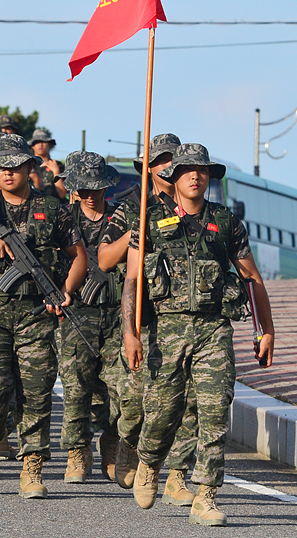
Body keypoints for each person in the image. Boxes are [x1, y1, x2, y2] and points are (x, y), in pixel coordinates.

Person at [122, 143, 275, 526]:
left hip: (213, 331)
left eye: (203, 170)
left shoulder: (225, 222)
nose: (195, 176)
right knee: (161, 412)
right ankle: (149, 461)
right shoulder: (149, 219)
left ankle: (205, 496)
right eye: (188, 169)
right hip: (165, 329)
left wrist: (266, 330)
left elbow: (251, 278)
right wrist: (131, 333)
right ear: (173, 176)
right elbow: (132, 279)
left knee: (214, 412)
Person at [0, 134, 86, 499]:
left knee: (37, 390)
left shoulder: (53, 209)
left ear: (30, 168)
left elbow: (78, 256)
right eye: (1, 167)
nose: (9, 173)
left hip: (36, 312)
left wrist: (67, 291)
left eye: (16, 166)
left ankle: (33, 466)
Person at [98, 133, 201, 501]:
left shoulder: (195, 207)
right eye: (160, 161)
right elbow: (106, 259)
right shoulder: (132, 208)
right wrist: (140, 231)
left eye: (173, 160)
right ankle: (126, 441)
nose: (168, 167)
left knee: (186, 400)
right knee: (137, 401)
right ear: (148, 168)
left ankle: (177, 473)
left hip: (185, 320)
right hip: (144, 320)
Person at [55, 151, 121, 484]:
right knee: (76, 387)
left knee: (118, 388)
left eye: (97, 188)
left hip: (116, 314)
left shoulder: (122, 219)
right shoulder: (64, 219)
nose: (91, 195)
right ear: (75, 189)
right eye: (85, 188)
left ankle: (111, 442)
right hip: (77, 313)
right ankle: (77, 453)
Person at [28, 128, 66, 200]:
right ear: (32, 146)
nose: (40, 145)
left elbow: (62, 194)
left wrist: (56, 172)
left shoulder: (58, 165)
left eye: (44, 141)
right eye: (37, 142)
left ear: (49, 144)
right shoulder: (28, 166)